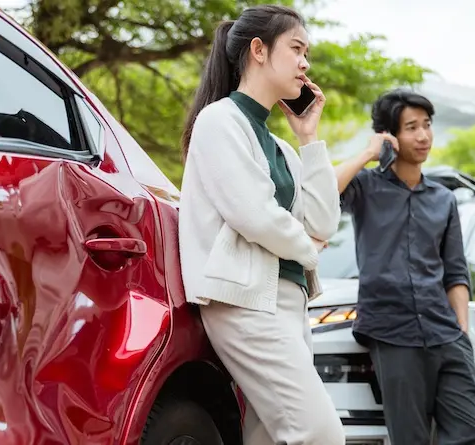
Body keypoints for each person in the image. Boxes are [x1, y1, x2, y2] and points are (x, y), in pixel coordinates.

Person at [178, 5, 344, 445]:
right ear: (258, 50)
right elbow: (252, 213)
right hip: (246, 301)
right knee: (320, 434)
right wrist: (307, 246)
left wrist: (309, 138)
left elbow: (326, 220)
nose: (306, 63)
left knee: (268, 437)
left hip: (288, 302)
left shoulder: (279, 147)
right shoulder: (219, 120)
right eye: (296, 49)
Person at [334, 90, 475, 445]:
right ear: (390, 134)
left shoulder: (443, 199)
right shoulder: (366, 187)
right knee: (410, 438)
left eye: (427, 125)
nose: (423, 136)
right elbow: (321, 192)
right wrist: (368, 154)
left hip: (445, 331)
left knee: (472, 432)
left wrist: (461, 327)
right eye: (411, 127)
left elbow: (455, 271)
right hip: (391, 332)